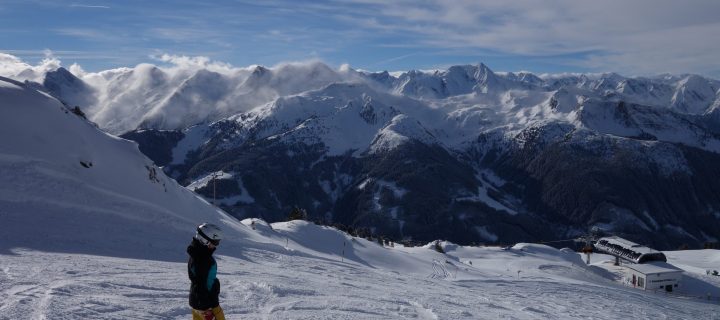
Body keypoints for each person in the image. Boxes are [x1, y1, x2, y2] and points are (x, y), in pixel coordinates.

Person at [187, 223, 226, 320]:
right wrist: (204, 308)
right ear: (204, 240)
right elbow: (199, 283)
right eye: (215, 242)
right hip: (205, 304)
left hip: (204, 300)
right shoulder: (201, 259)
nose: (216, 245)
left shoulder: (200, 254)